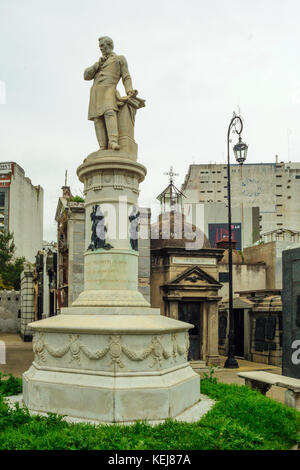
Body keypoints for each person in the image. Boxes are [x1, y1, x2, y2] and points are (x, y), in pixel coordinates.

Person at [84, 36, 136, 151]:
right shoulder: (98, 63)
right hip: (95, 92)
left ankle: (113, 142)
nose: (101, 48)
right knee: (97, 119)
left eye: (102, 46)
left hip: (109, 89)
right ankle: (102, 146)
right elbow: (86, 76)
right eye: (100, 47)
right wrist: (97, 64)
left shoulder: (119, 59)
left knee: (109, 112)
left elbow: (126, 76)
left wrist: (129, 90)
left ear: (110, 45)